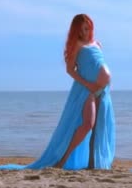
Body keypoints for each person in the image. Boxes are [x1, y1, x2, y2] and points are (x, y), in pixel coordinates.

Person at [27, 13, 115, 170]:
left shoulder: (97, 44)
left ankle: (92, 163)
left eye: (87, 28)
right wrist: (88, 84)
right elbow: (70, 70)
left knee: (99, 127)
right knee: (87, 124)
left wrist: (106, 84)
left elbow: (99, 64)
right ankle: (63, 160)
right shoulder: (77, 45)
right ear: (76, 31)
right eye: (81, 30)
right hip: (87, 89)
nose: (85, 32)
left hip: (103, 90)